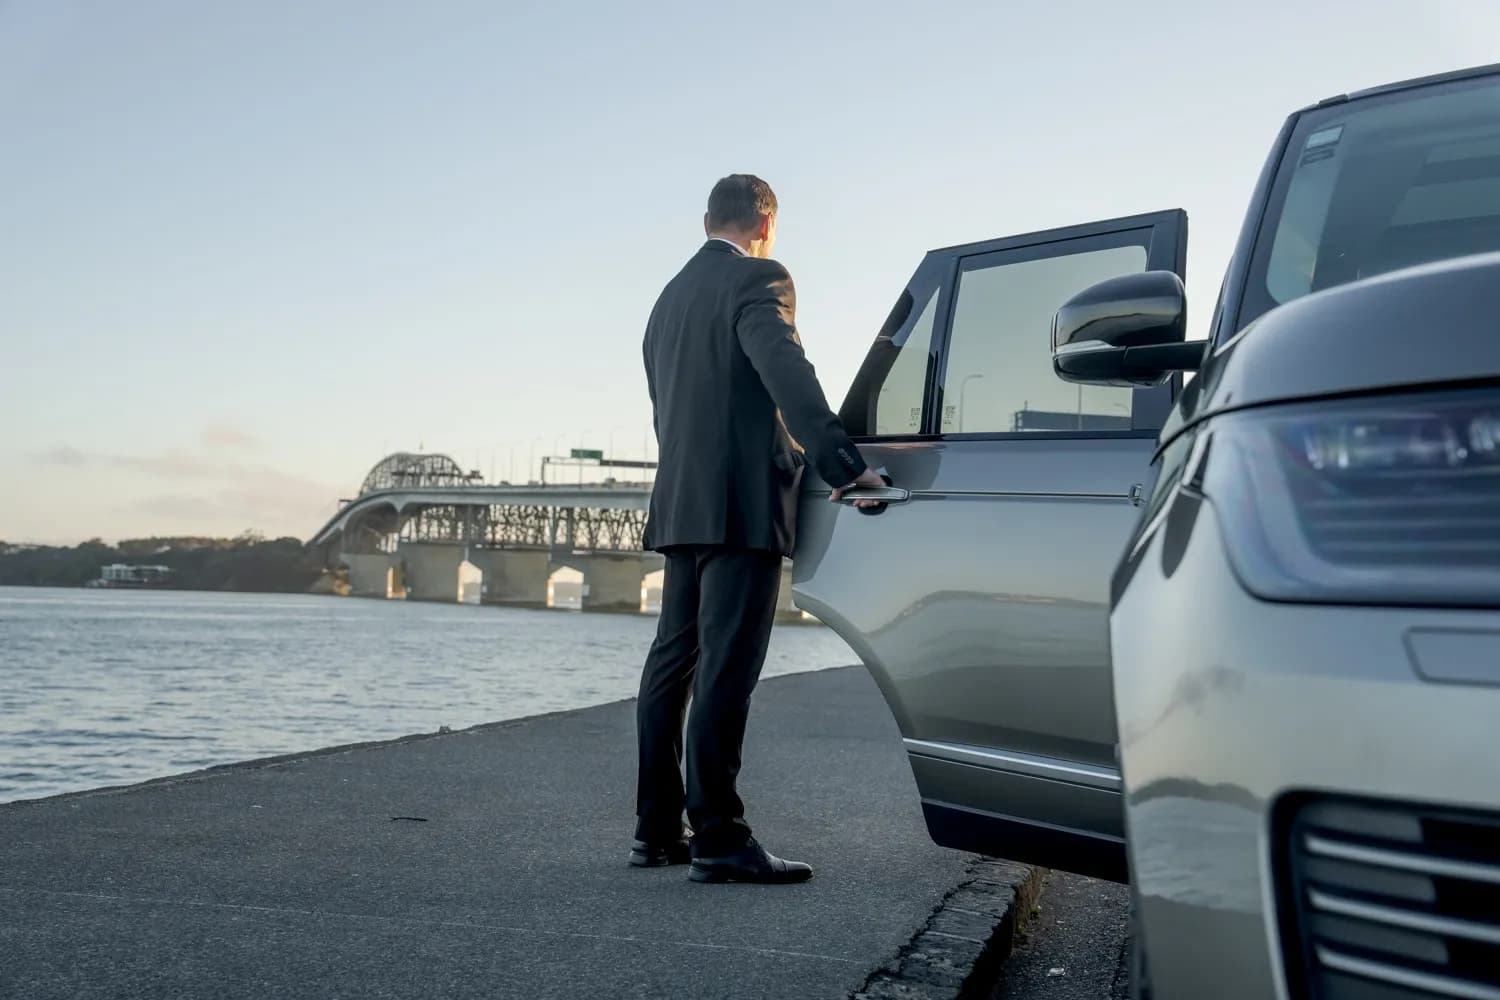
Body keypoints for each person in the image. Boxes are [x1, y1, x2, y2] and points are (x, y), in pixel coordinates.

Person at [632, 174, 886, 884]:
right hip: (741, 503)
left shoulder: (667, 299)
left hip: (680, 502)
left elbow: (666, 407)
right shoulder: (759, 279)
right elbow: (785, 371)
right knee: (726, 668)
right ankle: (718, 837)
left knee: (672, 665)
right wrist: (841, 463)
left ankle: (657, 830)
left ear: (706, 220)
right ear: (766, 225)